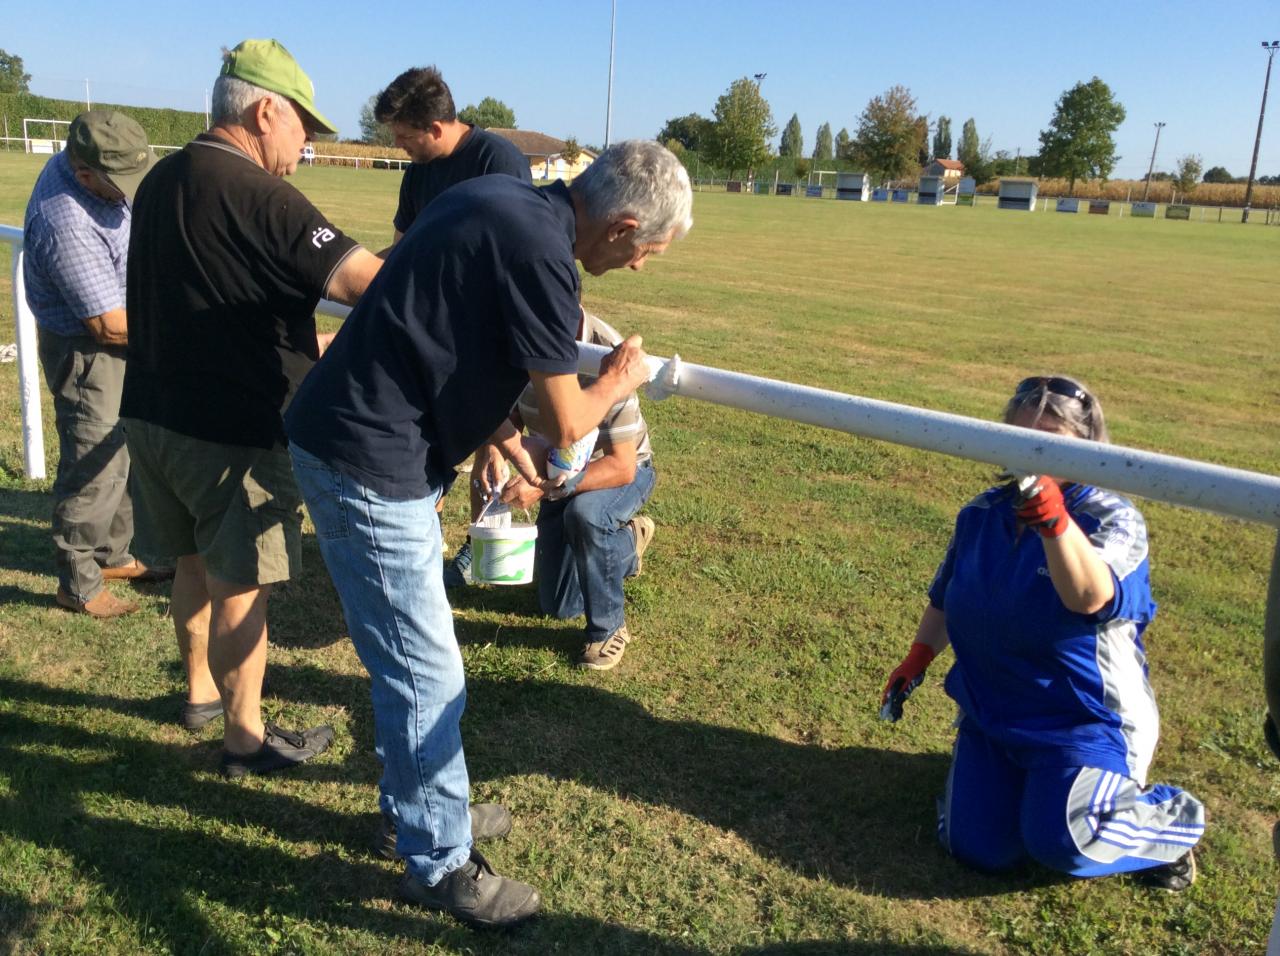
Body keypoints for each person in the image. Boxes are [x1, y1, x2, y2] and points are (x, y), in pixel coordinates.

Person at [284, 140, 692, 928]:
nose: (643, 267)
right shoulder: (545, 256)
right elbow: (574, 422)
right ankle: (438, 863)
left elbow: (435, 332)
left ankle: (422, 812)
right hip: (366, 461)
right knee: (424, 673)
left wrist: (499, 424)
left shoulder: (498, 202)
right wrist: (623, 374)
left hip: (355, 441)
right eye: (650, 250)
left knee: (414, 664)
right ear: (623, 226)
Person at [120, 39, 384, 772]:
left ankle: (201, 693)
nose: (308, 147)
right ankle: (244, 738)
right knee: (242, 585)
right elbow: (369, 282)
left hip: (149, 414)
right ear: (266, 111)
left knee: (193, 565)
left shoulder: (161, 177)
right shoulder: (264, 195)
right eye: (305, 127)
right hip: (230, 431)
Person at [881, 375, 1204, 891]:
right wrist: (918, 657)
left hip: (1084, 722)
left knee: (1065, 841)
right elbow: (946, 597)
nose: (1030, 449)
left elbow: (1090, 596)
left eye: (1050, 436)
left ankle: (1172, 823)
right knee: (976, 849)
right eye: (1017, 434)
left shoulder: (1112, 520)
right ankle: (1031, 787)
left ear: (1086, 446)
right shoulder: (981, 514)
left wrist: (1054, 521)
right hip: (993, 712)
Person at [23, 110, 171, 618]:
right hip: (90, 354)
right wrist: (182, 327)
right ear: (85, 173)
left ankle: (113, 555)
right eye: (120, 184)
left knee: (122, 452)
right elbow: (107, 325)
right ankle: (77, 583)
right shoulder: (65, 219)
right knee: (95, 464)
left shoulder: (94, 171)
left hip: (120, 336)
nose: (130, 193)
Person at [454, 308, 656, 671]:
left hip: (619, 471)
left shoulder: (608, 357)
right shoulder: (515, 339)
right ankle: (627, 544)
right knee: (559, 605)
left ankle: (608, 631)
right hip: (555, 468)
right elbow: (508, 415)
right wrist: (495, 452)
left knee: (586, 516)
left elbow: (621, 466)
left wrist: (546, 491)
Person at [374, 66, 530, 249]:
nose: (397, 144)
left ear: (436, 130)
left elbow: (516, 251)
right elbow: (401, 249)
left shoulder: (500, 163)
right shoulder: (417, 170)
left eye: (405, 136)